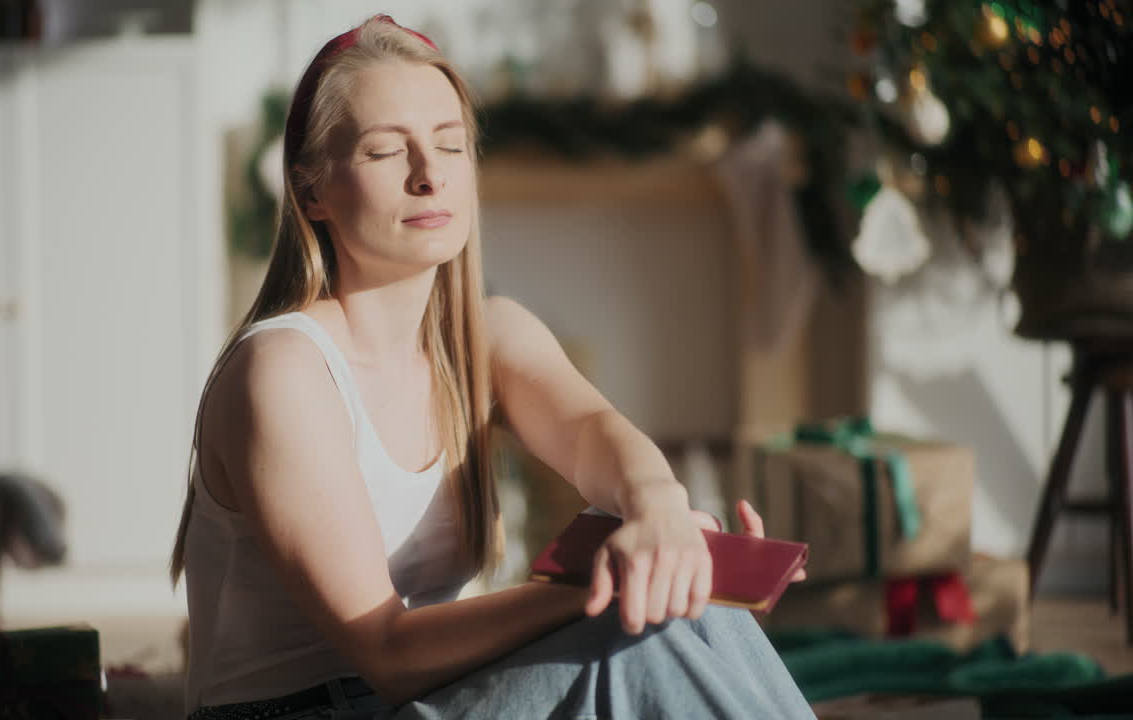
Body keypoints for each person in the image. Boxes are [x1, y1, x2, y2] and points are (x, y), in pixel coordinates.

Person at [170, 14, 815, 720]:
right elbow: (385, 652)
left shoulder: (489, 335)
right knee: (637, 634)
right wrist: (600, 585)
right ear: (313, 190)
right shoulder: (284, 371)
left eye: (449, 146)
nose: (428, 175)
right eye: (387, 153)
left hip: (422, 698)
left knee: (691, 599)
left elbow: (594, 431)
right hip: (307, 709)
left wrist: (663, 519)